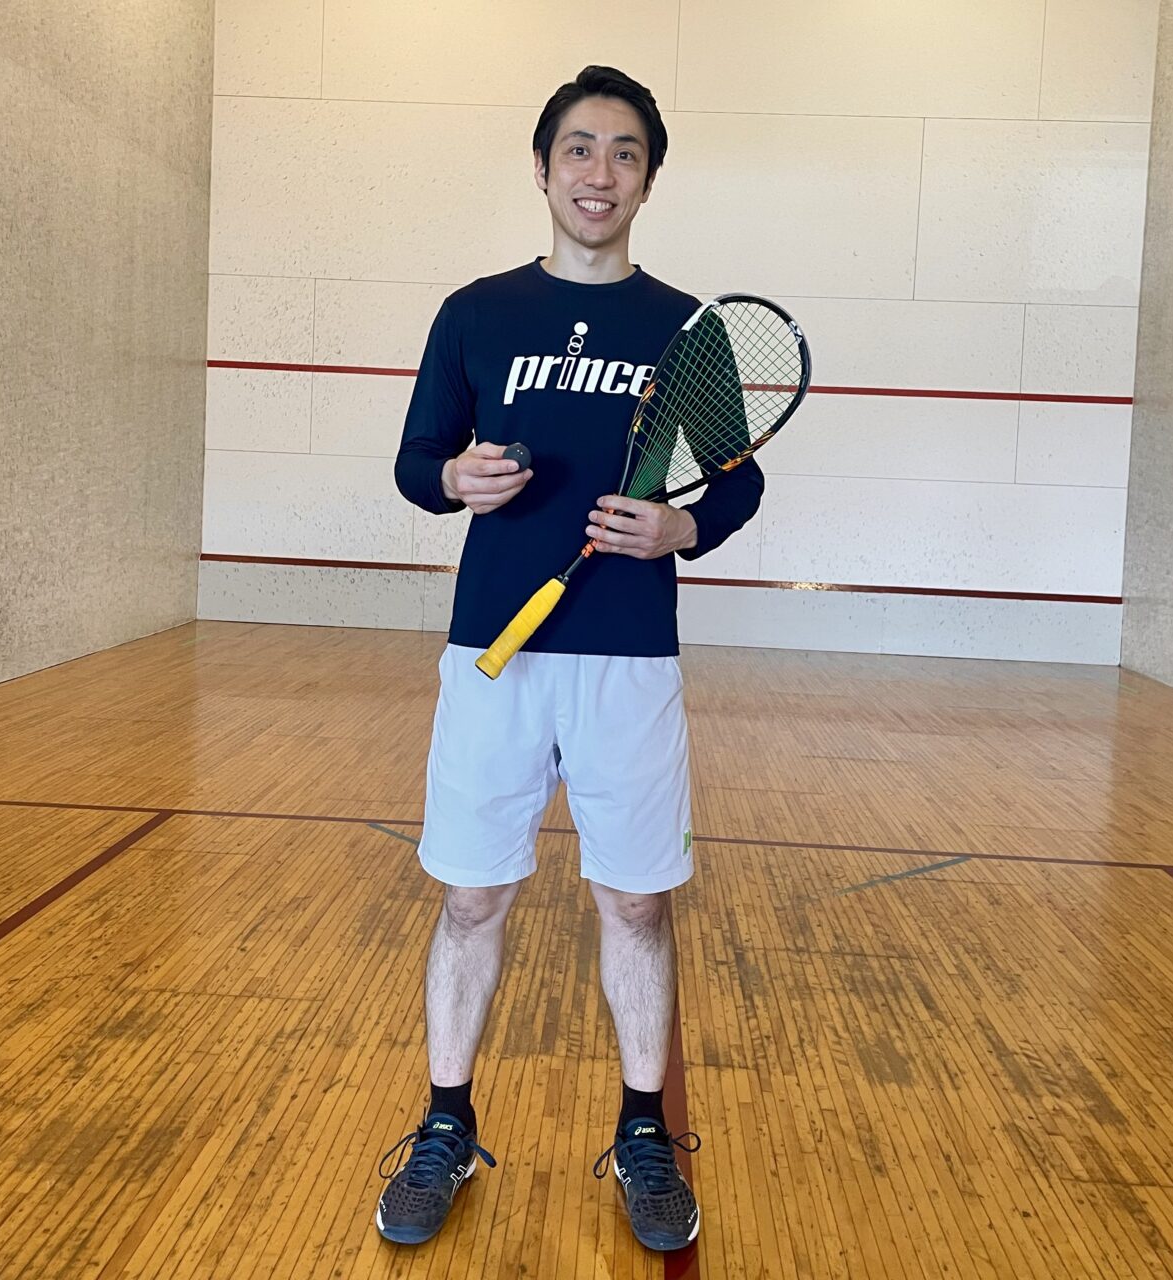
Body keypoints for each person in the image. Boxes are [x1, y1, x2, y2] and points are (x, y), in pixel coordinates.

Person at [379, 64, 764, 1253]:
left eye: (625, 153)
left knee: (634, 901)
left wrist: (681, 525)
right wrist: (454, 476)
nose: (600, 173)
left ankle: (643, 1131)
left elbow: (737, 479)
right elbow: (416, 462)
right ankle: (445, 1124)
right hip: (491, 652)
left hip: (627, 657)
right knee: (472, 894)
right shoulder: (474, 313)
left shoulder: (685, 330)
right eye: (580, 149)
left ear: (648, 178)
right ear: (543, 168)